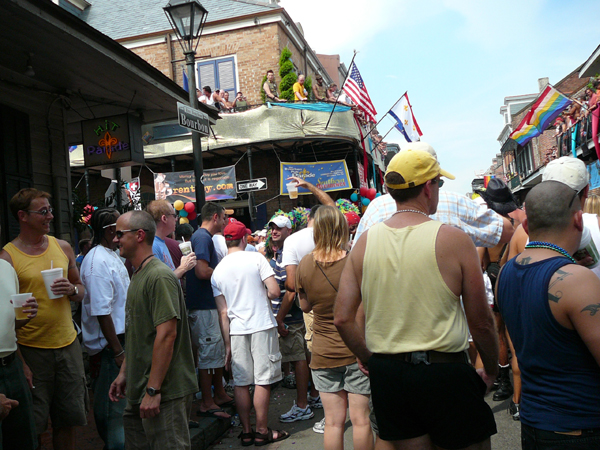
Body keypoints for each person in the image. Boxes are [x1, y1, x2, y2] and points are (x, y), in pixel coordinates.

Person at [335, 148, 499, 450]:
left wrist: (369, 357)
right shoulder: (454, 239)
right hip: (444, 372)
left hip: (391, 375)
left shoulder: (365, 242)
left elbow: (343, 317)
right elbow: (481, 322)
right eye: (438, 184)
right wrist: (490, 367)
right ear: (428, 187)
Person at [497, 180, 600, 450]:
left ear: (527, 227)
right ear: (579, 220)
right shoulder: (577, 280)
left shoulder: (506, 273)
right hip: (580, 426)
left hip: (535, 423)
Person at [0, 188, 87, 450]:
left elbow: (81, 290)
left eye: (50, 210)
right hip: (31, 349)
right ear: (22, 216)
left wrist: (71, 290)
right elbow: (5, 319)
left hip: (67, 344)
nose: (50, 216)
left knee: (68, 418)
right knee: (33, 423)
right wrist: (21, 363)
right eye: (43, 211)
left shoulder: (62, 247)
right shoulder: (8, 257)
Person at [109, 211, 198, 450]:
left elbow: (167, 335)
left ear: (139, 235)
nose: (115, 239)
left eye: (120, 234)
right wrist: (125, 373)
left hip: (163, 393)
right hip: (140, 391)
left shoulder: (158, 277)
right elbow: (139, 334)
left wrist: (153, 389)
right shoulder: (139, 274)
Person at [296, 206, 373, 450]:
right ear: (343, 229)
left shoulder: (305, 265)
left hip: (323, 352)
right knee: (361, 421)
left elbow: (305, 306)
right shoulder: (355, 261)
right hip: (356, 350)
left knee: (332, 423)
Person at [211, 220, 289, 446]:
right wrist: (261, 296)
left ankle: (246, 431)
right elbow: (274, 291)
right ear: (244, 239)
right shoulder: (256, 258)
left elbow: (223, 312)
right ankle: (262, 430)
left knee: (241, 382)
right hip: (261, 325)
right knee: (263, 380)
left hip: (236, 330)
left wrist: (227, 345)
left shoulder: (218, 271)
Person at [354, 142, 514, 247]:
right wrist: (460, 233)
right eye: (439, 182)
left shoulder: (376, 208)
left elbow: (356, 261)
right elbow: (506, 230)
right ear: (428, 187)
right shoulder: (455, 201)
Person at [80, 208, 129, 450]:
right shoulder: (97, 261)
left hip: (117, 344)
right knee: (112, 414)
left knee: (118, 411)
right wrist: (118, 351)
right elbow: (101, 311)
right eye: (120, 231)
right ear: (111, 231)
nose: (123, 236)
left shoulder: (111, 255)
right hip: (110, 348)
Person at [475, 178, 520, 402]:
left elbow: (479, 261)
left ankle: (504, 381)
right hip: (519, 277)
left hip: (496, 280)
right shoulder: (520, 222)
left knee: (500, 332)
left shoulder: (488, 226)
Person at [269, 215, 316, 424]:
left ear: (290, 230)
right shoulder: (277, 254)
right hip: (287, 314)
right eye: (272, 228)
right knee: (304, 357)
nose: (274, 231)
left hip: (291, 315)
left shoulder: (291, 251)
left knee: (299, 359)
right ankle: (313, 396)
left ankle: (303, 405)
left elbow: (290, 290)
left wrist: (279, 319)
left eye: (279, 228)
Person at [186, 202, 232, 419]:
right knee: (207, 355)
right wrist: (225, 273)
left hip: (207, 306)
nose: (225, 222)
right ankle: (207, 401)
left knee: (214, 353)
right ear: (215, 217)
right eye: (223, 218)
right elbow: (202, 271)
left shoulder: (202, 237)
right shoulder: (203, 237)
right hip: (204, 307)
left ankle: (219, 393)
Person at [0, 223, 38, 450]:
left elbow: (11, 324)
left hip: (12, 364)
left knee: (24, 440)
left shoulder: (5, 268)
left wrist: (26, 317)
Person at [146, 200, 197, 279]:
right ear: (164, 218)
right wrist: (183, 268)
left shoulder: (160, 241)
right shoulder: (152, 245)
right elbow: (160, 281)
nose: (176, 219)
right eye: (174, 215)